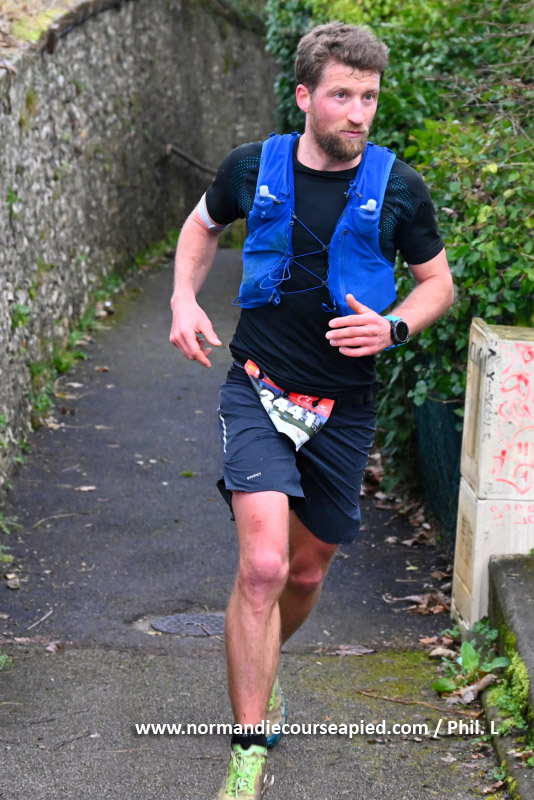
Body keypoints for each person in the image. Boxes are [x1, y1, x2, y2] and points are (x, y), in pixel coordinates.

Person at [169, 21, 454, 799]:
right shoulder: (249, 167)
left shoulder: (399, 187)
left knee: (302, 570)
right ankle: (247, 752)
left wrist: (396, 326)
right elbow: (201, 225)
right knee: (262, 565)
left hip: (345, 407)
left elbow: (437, 283)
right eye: (342, 95)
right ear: (305, 96)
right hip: (259, 388)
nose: (358, 113)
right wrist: (183, 297)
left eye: (369, 97)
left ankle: (264, 664)